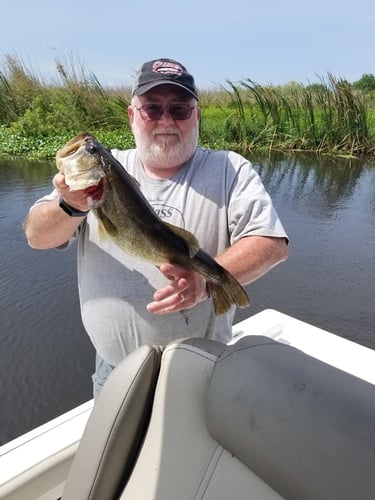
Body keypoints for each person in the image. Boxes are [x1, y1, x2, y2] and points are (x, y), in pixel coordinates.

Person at [24, 58, 288, 398]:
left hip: (201, 369)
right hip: (114, 371)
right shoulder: (100, 178)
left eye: (179, 108)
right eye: (152, 109)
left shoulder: (230, 169)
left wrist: (208, 279)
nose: (166, 120)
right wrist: (69, 205)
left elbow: (271, 242)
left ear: (197, 115)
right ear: (132, 115)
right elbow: (37, 236)